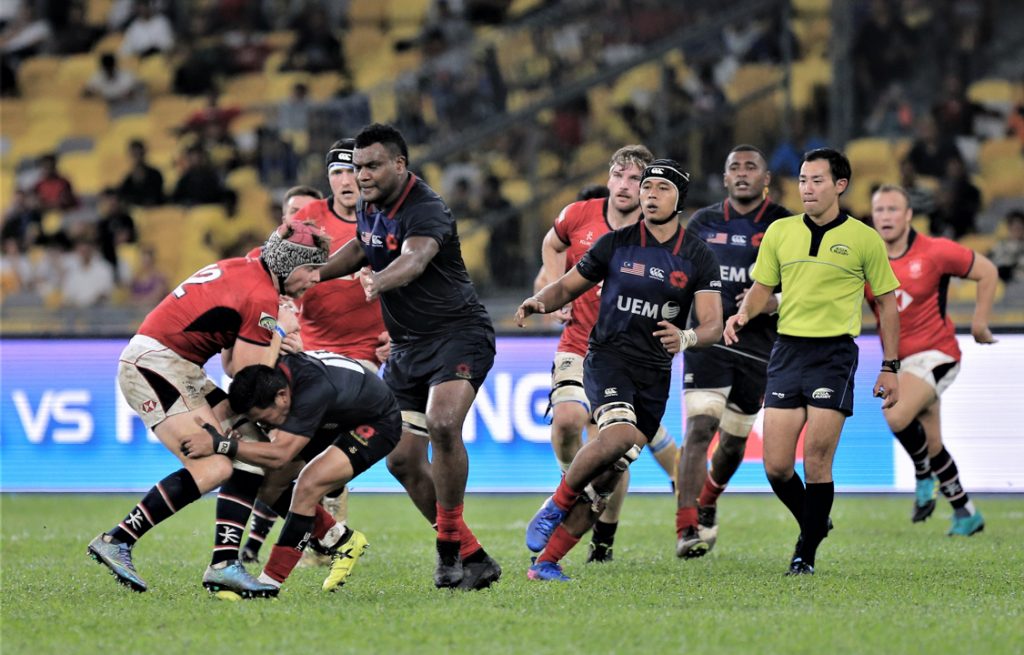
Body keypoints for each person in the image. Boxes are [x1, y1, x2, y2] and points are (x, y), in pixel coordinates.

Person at [86, 221, 328, 595]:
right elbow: (250, 382)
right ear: (288, 265)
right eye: (311, 268)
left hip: (178, 366)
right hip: (157, 365)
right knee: (215, 464)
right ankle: (118, 539)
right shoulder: (261, 294)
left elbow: (239, 366)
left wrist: (274, 335)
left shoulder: (250, 268)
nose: (315, 278)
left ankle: (225, 563)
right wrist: (279, 333)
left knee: (249, 445)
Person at [516, 159, 724, 582]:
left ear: (680, 199)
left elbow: (712, 325)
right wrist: (541, 301)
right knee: (619, 435)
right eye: (646, 187)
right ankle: (555, 504)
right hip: (608, 358)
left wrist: (685, 339)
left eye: (661, 188)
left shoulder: (698, 255)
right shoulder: (616, 244)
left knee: (610, 475)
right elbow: (570, 283)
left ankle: (547, 563)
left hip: (655, 373)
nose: (649, 194)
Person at [314, 123, 500, 590]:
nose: (362, 176)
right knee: (399, 460)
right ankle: (474, 556)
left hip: (459, 336)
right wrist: (316, 274)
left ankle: (447, 551)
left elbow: (414, 259)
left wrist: (377, 282)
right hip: (407, 348)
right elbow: (362, 247)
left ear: (400, 164)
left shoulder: (427, 207)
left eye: (372, 165)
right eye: (356, 168)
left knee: (442, 424)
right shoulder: (369, 206)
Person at [723, 148, 901, 576]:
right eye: (802, 180)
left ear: (839, 185)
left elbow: (888, 306)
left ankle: (805, 553)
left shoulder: (863, 238)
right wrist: (744, 312)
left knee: (816, 461)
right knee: (777, 465)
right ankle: (815, 520)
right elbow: (763, 287)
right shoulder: (781, 232)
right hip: (786, 352)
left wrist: (891, 366)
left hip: (834, 354)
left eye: (817, 180)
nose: (807, 188)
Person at [238, 142, 389, 572]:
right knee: (285, 450)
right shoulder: (309, 225)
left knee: (323, 447)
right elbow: (266, 272)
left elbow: (418, 283)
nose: (347, 181)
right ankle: (303, 539)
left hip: (363, 355)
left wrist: (397, 334)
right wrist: (285, 327)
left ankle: (324, 538)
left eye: (354, 171)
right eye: (338, 173)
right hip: (311, 353)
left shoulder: (389, 222)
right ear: (330, 179)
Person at [533, 145, 680, 563]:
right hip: (579, 342)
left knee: (610, 450)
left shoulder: (660, 232)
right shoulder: (578, 213)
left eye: (636, 178)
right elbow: (552, 242)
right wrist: (554, 284)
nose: (624, 184)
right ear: (609, 177)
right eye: (619, 174)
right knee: (567, 423)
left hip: (629, 355)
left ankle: (604, 540)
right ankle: (569, 483)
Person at [180, 351, 402, 597]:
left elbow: (280, 455)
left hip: (377, 422)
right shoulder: (275, 379)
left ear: (283, 396)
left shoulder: (312, 391)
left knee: (308, 485)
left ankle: (269, 585)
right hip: (332, 415)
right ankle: (340, 539)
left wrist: (220, 445)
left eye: (265, 420)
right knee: (268, 486)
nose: (267, 427)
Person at [675, 145, 792, 558]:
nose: (742, 173)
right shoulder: (703, 223)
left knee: (732, 442)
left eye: (751, 167)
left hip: (759, 345)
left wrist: (771, 299)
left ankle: (707, 500)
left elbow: (804, 283)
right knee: (699, 429)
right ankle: (686, 527)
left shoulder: (785, 224)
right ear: (725, 178)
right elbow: (679, 276)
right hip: (708, 339)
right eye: (734, 167)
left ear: (766, 179)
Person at [867, 185, 996, 535]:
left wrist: (980, 322)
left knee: (894, 413)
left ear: (909, 215)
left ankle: (923, 473)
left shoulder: (935, 251)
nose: (886, 217)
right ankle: (966, 513)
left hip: (938, 354)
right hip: (902, 363)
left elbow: (987, 271)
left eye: (894, 209)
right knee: (932, 442)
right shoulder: (866, 258)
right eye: (880, 210)